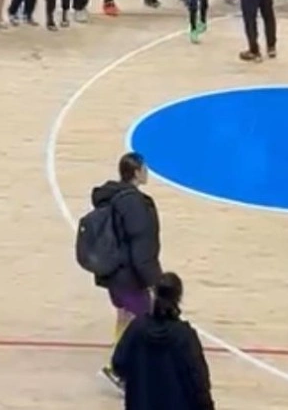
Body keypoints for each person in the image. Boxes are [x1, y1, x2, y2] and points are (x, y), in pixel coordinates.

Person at [92, 153, 162, 391]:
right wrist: (154, 281)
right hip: (130, 275)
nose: (147, 172)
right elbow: (141, 247)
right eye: (145, 168)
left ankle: (117, 362)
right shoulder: (136, 204)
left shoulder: (110, 197)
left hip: (112, 272)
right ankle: (120, 370)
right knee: (142, 321)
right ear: (136, 173)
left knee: (124, 316)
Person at [111, 272, 215, 410]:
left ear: (154, 295)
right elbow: (199, 382)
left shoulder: (136, 329)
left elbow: (118, 365)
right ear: (178, 298)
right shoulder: (184, 336)